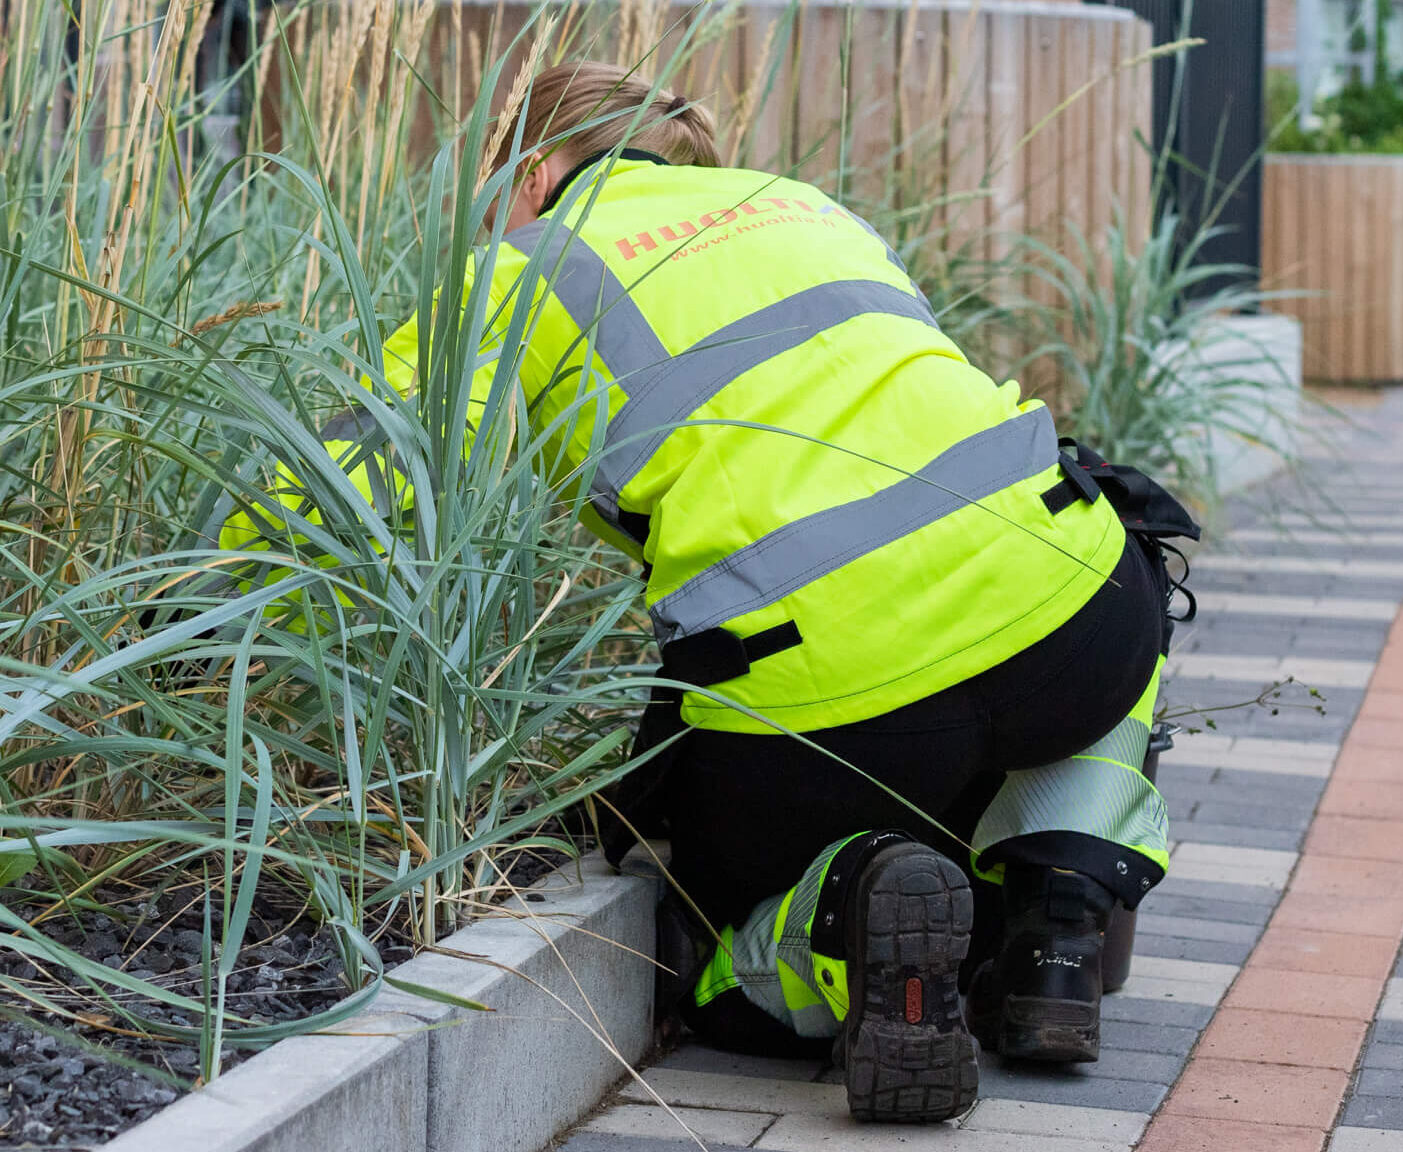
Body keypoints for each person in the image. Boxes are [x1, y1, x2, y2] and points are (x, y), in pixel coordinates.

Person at [221, 61, 1196, 1124]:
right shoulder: (801, 205)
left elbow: (355, 481)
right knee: (1118, 551)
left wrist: (200, 601)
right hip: (1070, 607)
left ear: (538, 168)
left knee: (717, 962)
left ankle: (841, 915)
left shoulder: (519, 269)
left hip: (825, 697)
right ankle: (1060, 905)